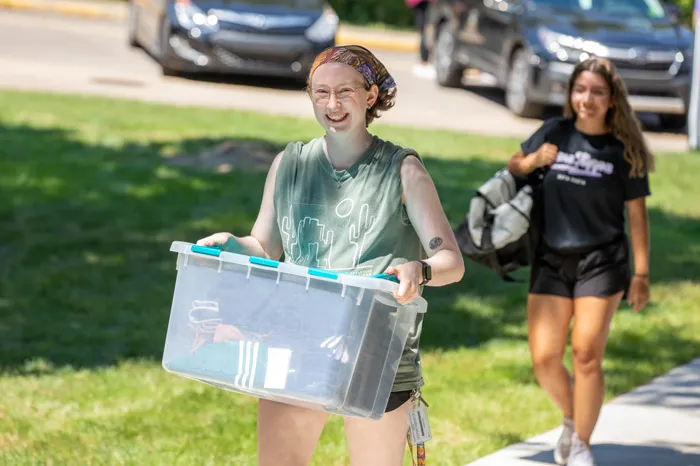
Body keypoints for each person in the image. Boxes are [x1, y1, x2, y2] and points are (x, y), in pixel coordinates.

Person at [196, 45, 465, 466]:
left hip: (376, 356)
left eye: (345, 91)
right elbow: (264, 247)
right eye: (320, 93)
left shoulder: (402, 170)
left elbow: (452, 260)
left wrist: (421, 270)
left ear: (371, 96)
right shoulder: (290, 164)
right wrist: (230, 245)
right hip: (294, 344)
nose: (332, 104)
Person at [507, 57, 653, 466]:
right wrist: (534, 160)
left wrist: (641, 273)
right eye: (581, 90)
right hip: (551, 258)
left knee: (586, 353)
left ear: (611, 100)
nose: (587, 99)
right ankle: (572, 418)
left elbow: (637, 216)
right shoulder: (555, 131)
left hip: (602, 261)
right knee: (544, 359)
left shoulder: (624, 149)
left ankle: (581, 445)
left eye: (597, 92)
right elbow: (514, 165)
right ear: (571, 93)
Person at [405, 0, 437, 79]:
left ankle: (425, 62)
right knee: (425, 32)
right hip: (423, 3)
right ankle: (424, 62)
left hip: (421, 3)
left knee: (425, 32)